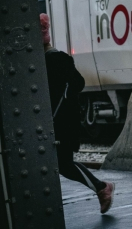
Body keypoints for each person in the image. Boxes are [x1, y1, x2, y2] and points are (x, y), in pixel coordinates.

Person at [40, 13, 115, 214]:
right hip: (66, 122)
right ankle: (101, 188)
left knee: (64, 164)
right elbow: (79, 83)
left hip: (59, 124)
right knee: (64, 163)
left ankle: (102, 188)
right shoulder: (60, 58)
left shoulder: (51, 61)